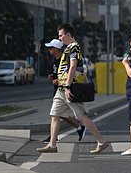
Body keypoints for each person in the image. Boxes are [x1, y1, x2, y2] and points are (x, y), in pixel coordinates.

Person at [36, 23, 109, 154]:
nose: (59, 39)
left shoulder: (74, 48)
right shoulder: (69, 48)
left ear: (68, 35)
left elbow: (73, 67)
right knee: (54, 114)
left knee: (81, 116)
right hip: (62, 88)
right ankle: (52, 145)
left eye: (61, 35)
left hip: (70, 87)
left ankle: (101, 142)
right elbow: (80, 69)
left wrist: (69, 87)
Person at [42, 39, 86, 144]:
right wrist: (52, 77)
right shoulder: (54, 60)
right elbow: (55, 73)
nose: (49, 50)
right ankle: (55, 137)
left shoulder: (64, 58)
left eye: (51, 48)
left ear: (57, 49)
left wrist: (62, 81)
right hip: (58, 89)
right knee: (56, 113)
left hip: (65, 89)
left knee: (60, 113)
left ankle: (81, 127)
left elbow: (71, 71)